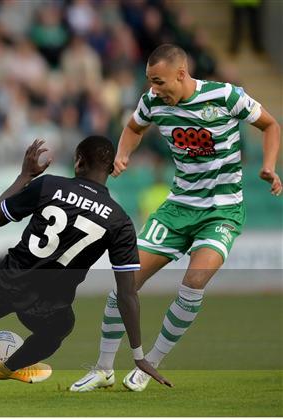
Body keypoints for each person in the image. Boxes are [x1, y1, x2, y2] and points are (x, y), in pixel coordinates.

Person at [0, 137, 173, 406]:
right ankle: (8, 367)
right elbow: (127, 293)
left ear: (78, 162)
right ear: (111, 169)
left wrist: (25, 175)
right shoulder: (120, 221)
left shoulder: (49, 186)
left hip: (7, 279)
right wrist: (137, 355)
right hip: (51, 302)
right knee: (60, 328)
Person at [70, 44, 281, 393]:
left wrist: (269, 166)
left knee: (194, 282)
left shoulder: (226, 96)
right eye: (150, 82)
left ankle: (150, 362)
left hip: (222, 209)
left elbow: (271, 125)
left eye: (159, 82)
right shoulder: (151, 102)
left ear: (181, 74)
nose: (154, 90)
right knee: (125, 284)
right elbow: (134, 128)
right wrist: (122, 155)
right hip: (177, 207)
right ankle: (103, 368)